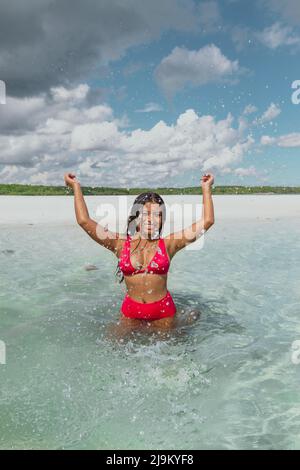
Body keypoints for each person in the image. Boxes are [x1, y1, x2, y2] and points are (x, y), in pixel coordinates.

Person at [64, 172, 215, 339]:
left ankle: (188, 320)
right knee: (113, 348)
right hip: (131, 313)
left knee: (169, 356)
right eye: (145, 214)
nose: (151, 219)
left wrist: (206, 189)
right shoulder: (119, 244)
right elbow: (84, 221)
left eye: (157, 215)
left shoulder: (169, 244)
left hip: (163, 313)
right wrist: (76, 187)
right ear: (135, 218)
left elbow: (207, 221)